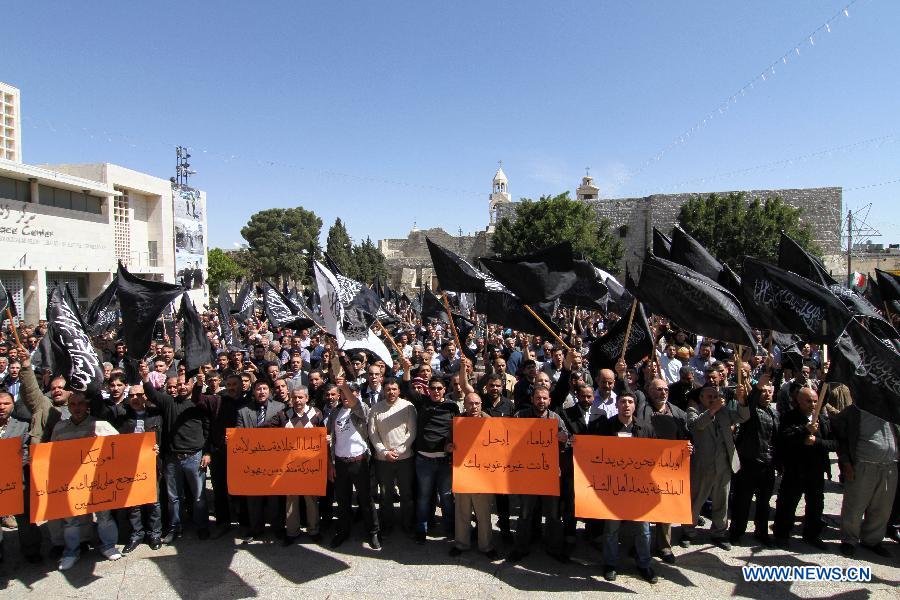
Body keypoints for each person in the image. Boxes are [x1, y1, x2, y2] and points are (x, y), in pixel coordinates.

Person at [51, 391, 123, 570]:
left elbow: (123, 447)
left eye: (81, 404)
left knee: (104, 515)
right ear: (68, 406)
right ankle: (71, 552)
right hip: (72, 482)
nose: (77, 408)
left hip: (98, 480)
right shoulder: (59, 428)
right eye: (73, 404)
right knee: (71, 520)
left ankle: (108, 546)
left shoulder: (100, 425)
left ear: (87, 405)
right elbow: (51, 455)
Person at [592, 392, 659, 584]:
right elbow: (593, 452)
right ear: (617, 405)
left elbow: (658, 456)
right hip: (613, 488)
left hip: (639, 488)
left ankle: (644, 564)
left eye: (630, 402)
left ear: (635, 406)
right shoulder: (605, 427)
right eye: (623, 402)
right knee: (611, 529)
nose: (626, 405)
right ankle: (610, 564)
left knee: (643, 530)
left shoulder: (646, 428)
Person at [143, 372, 212, 543]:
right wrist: (145, 377)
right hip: (172, 458)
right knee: (173, 498)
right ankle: (175, 527)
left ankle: (201, 526)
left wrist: (208, 452)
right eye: (178, 384)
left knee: (198, 496)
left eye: (184, 384)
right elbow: (151, 393)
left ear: (191, 385)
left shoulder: (198, 403)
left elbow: (208, 429)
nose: (181, 387)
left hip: (194, 457)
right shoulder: (169, 402)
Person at [506, 385, 569, 563]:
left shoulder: (555, 418)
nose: (541, 401)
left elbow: (568, 440)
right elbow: (508, 438)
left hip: (549, 474)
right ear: (532, 399)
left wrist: (564, 439)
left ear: (549, 400)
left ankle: (554, 548)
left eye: (544, 398)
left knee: (553, 514)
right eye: (538, 398)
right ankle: (521, 548)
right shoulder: (521, 416)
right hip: (528, 474)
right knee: (525, 513)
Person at [684, 383, 750, 550]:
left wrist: (742, 401)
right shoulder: (694, 411)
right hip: (703, 464)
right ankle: (688, 530)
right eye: (709, 397)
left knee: (722, 500)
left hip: (723, 463)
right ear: (701, 399)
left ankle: (719, 532)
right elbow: (696, 426)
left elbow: (743, 417)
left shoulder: (725, 412)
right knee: (697, 499)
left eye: (715, 397)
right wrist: (712, 410)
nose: (713, 400)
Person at [772, 386, 836, 550]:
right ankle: (781, 534)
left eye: (815, 401)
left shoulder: (822, 420)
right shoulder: (789, 417)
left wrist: (817, 442)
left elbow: (834, 443)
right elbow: (784, 440)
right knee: (787, 504)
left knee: (815, 505)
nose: (813, 404)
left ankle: (812, 534)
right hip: (795, 469)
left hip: (815, 470)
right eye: (808, 401)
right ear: (798, 401)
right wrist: (803, 432)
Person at [832, 403, 899, 557]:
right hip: (863, 465)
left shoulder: (892, 410)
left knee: (882, 509)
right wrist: (846, 461)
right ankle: (849, 540)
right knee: (854, 506)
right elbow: (838, 433)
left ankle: (872, 541)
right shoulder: (855, 410)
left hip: (889, 466)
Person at [266, 386, 325, 545]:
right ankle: (292, 532)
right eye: (295, 398)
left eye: (300, 397)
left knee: (311, 499)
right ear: (291, 399)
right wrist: (239, 437)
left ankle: (314, 530)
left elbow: (324, 435)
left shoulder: (317, 414)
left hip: (310, 465)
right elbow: (264, 431)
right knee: (291, 500)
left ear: (306, 398)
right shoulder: (283, 415)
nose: (297, 401)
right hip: (289, 466)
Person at [326, 379, 381, 550]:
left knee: (365, 499)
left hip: (360, 462)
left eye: (349, 392)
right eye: (342, 393)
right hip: (341, 463)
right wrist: (331, 463)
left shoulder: (361, 409)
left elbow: (355, 403)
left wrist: (343, 385)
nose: (345, 396)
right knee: (343, 500)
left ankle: (373, 531)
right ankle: (343, 531)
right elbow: (331, 439)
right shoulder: (335, 413)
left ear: (357, 394)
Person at [643, 377, 691, 564]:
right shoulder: (642, 409)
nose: (663, 392)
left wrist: (689, 448)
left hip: (669, 468)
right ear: (649, 391)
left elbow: (686, 437)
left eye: (665, 389)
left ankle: (664, 546)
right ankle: (642, 544)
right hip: (645, 466)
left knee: (665, 507)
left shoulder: (678, 413)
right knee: (644, 509)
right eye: (658, 389)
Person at [113, 384, 164, 553]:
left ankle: (155, 533)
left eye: (139, 395)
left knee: (153, 502)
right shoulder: (122, 418)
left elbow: (165, 438)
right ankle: (137, 534)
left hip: (152, 464)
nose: (135, 398)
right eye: (132, 395)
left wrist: (159, 449)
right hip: (129, 466)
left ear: (146, 396)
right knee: (134, 502)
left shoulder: (156, 416)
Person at [448, 391, 498, 560]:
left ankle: (486, 546)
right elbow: (449, 441)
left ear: (481, 405)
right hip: (463, 472)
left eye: (477, 403)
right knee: (462, 511)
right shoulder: (457, 422)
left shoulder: (490, 422)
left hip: (483, 475)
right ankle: (461, 543)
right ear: (465, 405)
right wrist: (449, 446)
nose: (474, 407)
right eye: (470, 403)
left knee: (483, 513)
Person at [729, 377, 779, 547]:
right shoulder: (751, 410)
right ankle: (736, 532)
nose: (767, 394)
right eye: (763, 392)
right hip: (749, 464)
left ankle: (762, 532)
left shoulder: (774, 413)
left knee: (764, 503)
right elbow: (749, 402)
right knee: (742, 501)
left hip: (767, 465)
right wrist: (758, 386)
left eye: (769, 392)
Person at [236, 379, 286, 542]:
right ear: (253, 391)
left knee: (274, 498)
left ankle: (277, 528)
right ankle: (255, 529)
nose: (262, 392)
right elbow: (239, 434)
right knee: (253, 499)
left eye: (265, 389)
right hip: (253, 462)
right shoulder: (243, 411)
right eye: (258, 389)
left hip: (274, 461)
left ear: (270, 391)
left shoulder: (280, 407)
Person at [368, 374, 417, 537]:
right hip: (383, 459)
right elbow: (373, 434)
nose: (391, 392)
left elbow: (412, 432)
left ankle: (407, 523)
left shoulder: (408, 407)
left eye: (394, 389)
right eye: (388, 389)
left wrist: (400, 450)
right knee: (385, 494)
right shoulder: (375, 409)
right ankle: (387, 523)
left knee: (406, 493)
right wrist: (384, 451)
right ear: (383, 390)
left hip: (405, 458)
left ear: (399, 390)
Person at [0, 388, 41, 563]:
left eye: (6, 403)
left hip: (17, 479)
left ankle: (31, 550)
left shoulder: (23, 425)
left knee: (24, 517)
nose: (1, 407)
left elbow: (27, 452)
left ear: (13, 405)